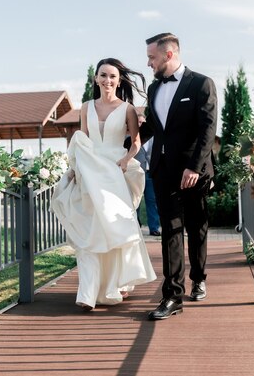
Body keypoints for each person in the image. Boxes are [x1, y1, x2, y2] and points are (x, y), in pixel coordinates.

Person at [51, 58, 156, 311]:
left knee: (112, 228)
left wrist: (125, 160)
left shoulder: (128, 109)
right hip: (89, 173)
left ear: (119, 81)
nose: (108, 80)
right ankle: (87, 293)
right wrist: (75, 168)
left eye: (112, 76)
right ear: (96, 79)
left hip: (113, 173)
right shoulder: (86, 107)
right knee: (90, 230)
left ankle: (114, 284)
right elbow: (82, 141)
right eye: (103, 75)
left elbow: (136, 143)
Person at [140, 33, 217, 320]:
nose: (149, 63)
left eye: (152, 57)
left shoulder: (201, 84)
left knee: (196, 227)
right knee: (171, 230)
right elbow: (154, 126)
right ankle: (173, 295)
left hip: (194, 171)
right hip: (162, 169)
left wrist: (194, 167)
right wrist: (123, 141)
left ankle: (198, 277)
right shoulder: (153, 88)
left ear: (169, 55)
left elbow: (208, 129)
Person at [134, 113, 161, 236]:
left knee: (152, 200)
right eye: (138, 122)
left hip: (151, 173)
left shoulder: (155, 138)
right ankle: (136, 226)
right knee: (136, 201)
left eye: (142, 122)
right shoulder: (131, 139)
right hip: (137, 174)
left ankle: (154, 228)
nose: (140, 125)